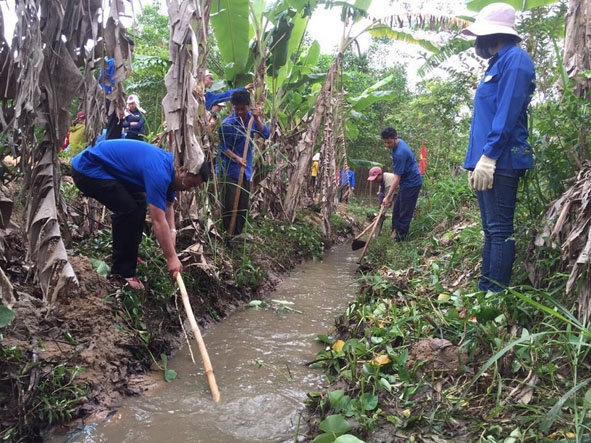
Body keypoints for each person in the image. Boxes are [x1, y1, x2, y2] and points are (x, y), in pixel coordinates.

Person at [461, 3, 535, 292]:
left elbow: (507, 112)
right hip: (486, 160)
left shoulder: (515, 60)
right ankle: (484, 292)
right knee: (490, 231)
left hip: (502, 160)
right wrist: (476, 160)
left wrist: (489, 156)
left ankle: (495, 295)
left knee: (501, 230)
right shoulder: (496, 63)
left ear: (492, 34)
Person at [71, 139, 210, 290]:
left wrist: (172, 231)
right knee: (128, 210)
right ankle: (122, 273)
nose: (189, 189)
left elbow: (168, 205)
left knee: (139, 202)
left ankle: (129, 254)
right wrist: (171, 258)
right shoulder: (160, 172)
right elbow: (158, 221)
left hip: (109, 170)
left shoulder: (173, 169)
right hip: (87, 169)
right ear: (183, 171)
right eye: (191, 184)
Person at [218, 89, 270, 236]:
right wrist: (236, 158)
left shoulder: (252, 121)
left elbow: (265, 134)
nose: (240, 112)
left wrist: (258, 118)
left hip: (245, 171)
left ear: (248, 106)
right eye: (237, 109)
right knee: (229, 205)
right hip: (229, 171)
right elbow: (223, 148)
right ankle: (227, 234)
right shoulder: (227, 124)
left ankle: (238, 235)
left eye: (243, 108)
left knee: (242, 205)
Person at [380, 127, 423, 241]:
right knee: (397, 210)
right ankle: (394, 233)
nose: (387, 145)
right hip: (405, 183)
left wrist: (387, 197)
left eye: (389, 142)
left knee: (404, 211)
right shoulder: (398, 143)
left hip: (412, 183)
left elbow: (396, 178)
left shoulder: (400, 153)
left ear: (395, 138)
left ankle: (400, 238)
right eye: (385, 143)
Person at [367, 166, 396, 234]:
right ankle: (378, 233)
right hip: (394, 192)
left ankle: (395, 233)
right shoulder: (381, 181)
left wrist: (381, 213)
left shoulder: (388, 180)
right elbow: (382, 195)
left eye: (375, 178)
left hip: (401, 191)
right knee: (381, 213)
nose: (375, 180)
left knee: (396, 212)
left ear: (380, 175)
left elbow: (388, 200)